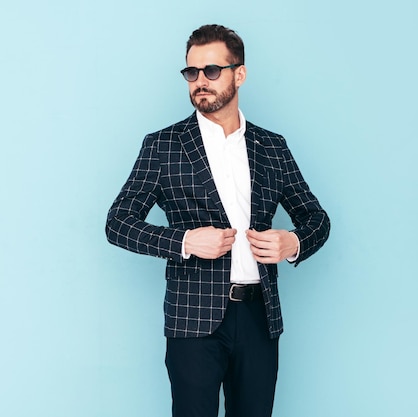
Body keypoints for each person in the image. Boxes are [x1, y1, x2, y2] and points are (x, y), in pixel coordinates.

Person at [105, 24, 330, 417]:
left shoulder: (272, 146)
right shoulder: (162, 146)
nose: (199, 81)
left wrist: (293, 244)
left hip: (260, 318)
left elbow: (316, 218)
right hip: (193, 321)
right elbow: (118, 223)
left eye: (211, 71)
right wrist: (185, 241)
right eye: (191, 72)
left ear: (238, 74)